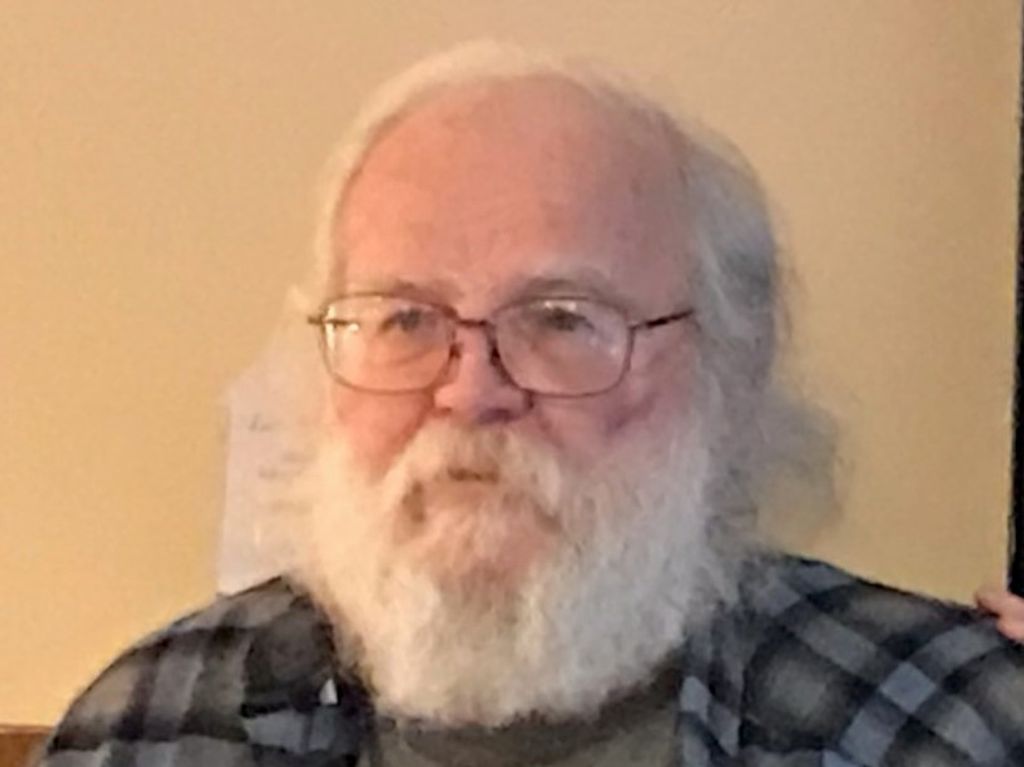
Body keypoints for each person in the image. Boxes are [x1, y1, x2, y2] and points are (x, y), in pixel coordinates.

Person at [39, 42, 1024, 767]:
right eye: (404, 318)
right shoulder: (146, 726)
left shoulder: (953, 725)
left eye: (560, 318)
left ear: (729, 365)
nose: (470, 390)